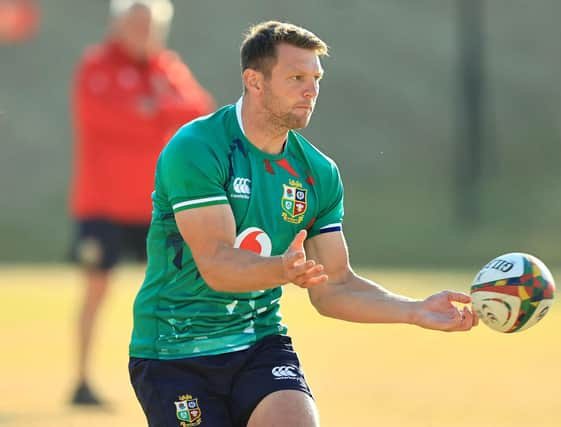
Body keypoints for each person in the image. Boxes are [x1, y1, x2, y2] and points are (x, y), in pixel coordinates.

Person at [128, 20, 477, 427]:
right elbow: (217, 264)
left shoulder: (318, 173)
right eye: (296, 77)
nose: (311, 90)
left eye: (315, 78)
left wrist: (415, 310)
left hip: (259, 343)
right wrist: (282, 270)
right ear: (254, 81)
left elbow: (335, 287)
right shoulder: (197, 149)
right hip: (174, 350)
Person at [69, 0, 215, 405]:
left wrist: (153, 109)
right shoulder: (96, 66)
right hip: (102, 204)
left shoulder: (168, 69)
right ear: (117, 26)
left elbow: (198, 113)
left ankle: (187, 372)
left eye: (149, 26)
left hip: (158, 205)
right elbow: (104, 119)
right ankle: (81, 380)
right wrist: (154, 116)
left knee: (180, 291)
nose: (142, 33)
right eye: (134, 25)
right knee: (96, 289)